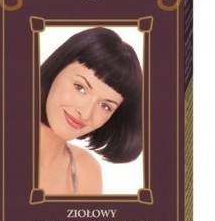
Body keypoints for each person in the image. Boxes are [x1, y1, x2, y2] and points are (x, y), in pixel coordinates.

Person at [37, 27, 142, 195]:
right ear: (57, 69)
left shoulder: (85, 170)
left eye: (105, 106)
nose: (85, 114)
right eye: (80, 87)